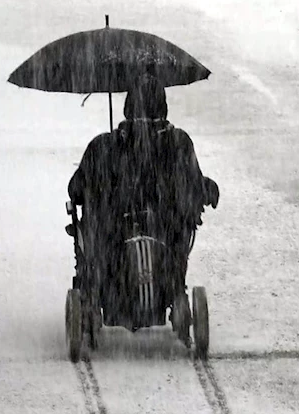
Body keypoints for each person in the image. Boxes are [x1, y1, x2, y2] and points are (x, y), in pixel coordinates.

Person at [67, 73, 219, 325]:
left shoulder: (103, 146)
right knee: (176, 237)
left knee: (97, 241)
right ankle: (174, 297)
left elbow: (76, 189)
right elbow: (193, 184)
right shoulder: (178, 143)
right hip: (165, 239)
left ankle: (96, 301)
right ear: (164, 106)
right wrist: (207, 189)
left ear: (127, 108)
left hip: (112, 248)